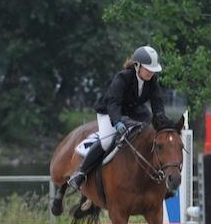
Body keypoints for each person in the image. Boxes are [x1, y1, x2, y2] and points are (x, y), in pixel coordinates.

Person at [68, 45, 167, 190]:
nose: (151, 73)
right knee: (107, 141)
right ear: (137, 66)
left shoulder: (152, 80)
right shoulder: (123, 78)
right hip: (110, 111)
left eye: (153, 70)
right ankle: (81, 173)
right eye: (148, 69)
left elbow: (157, 102)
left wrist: (162, 120)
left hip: (133, 111)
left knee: (148, 136)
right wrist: (117, 122)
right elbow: (114, 103)